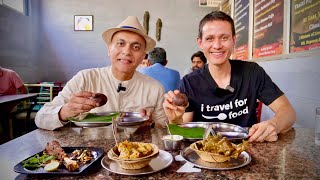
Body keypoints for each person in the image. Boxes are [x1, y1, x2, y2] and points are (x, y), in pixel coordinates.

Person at [163, 11, 296, 142]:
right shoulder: (190, 82)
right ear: (200, 43)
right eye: (209, 38)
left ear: (233, 40)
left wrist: (275, 125)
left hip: (248, 150)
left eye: (224, 38)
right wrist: (175, 120)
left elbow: (288, 112)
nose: (217, 46)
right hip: (205, 154)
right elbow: (185, 132)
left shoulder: (252, 72)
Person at [35, 16, 167, 130]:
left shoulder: (154, 88)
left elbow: (163, 129)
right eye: (120, 43)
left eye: (136, 47)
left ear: (143, 56)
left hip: (136, 156)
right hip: (90, 155)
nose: (127, 51)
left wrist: (151, 125)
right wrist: (64, 112)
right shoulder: (85, 79)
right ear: (109, 49)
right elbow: (41, 118)